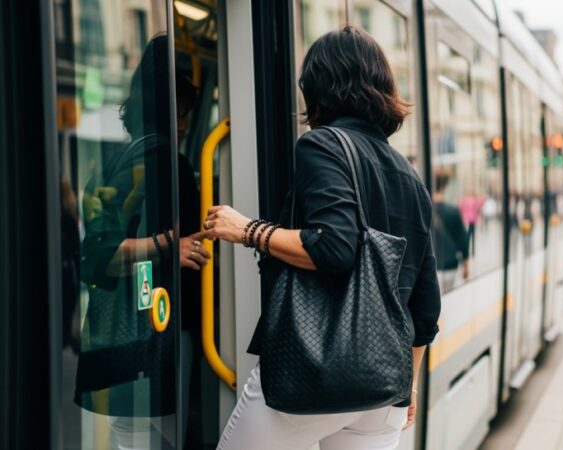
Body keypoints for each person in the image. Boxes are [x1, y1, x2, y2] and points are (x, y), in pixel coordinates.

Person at [205, 26, 441, 449]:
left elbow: (334, 247)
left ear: (318, 88)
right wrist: (409, 385)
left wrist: (247, 230)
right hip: (384, 385)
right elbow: (425, 306)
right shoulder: (410, 175)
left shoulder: (322, 146)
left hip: (315, 373)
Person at [76, 35, 209, 447]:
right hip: (151, 340)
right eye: (183, 111)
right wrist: (172, 244)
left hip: (128, 338)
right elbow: (100, 255)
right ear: (167, 110)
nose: (185, 123)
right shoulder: (167, 163)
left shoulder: (122, 156)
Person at [433, 172, 470, 291]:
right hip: (450, 266)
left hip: (432, 267)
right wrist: (466, 266)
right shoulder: (453, 211)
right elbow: (463, 240)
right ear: (444, 187)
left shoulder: (425, 210)